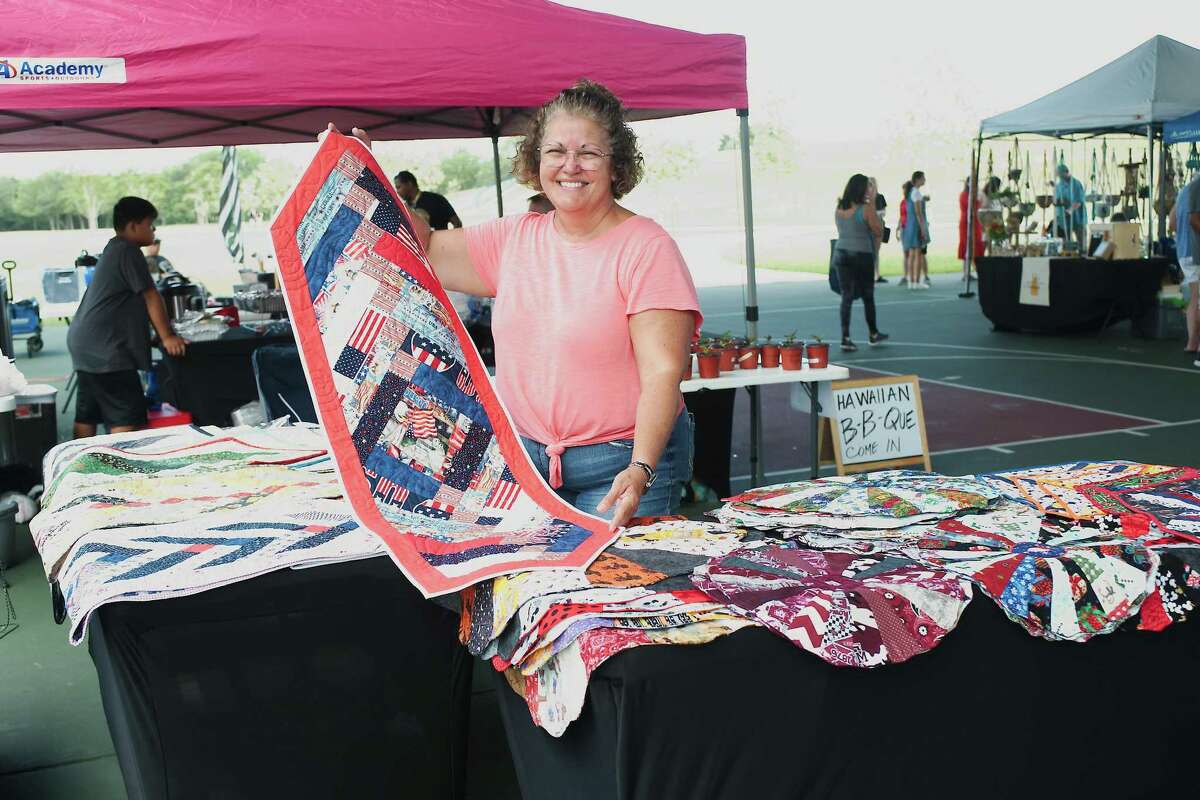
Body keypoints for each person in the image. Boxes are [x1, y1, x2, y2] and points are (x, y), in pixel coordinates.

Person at [330, 80, 699, 529]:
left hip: (622, 463)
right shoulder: (515, 238)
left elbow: (664, 371)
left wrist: (641, 467)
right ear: (536, 159)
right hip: (525, 462)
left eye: (589, 153)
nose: (571, 165)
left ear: (616, 164)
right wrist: (364, 172)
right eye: (555, 151)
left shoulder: (646, 247)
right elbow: (418, 245)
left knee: (610, 591)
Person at [67, 196, 187, 438]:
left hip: (85, 345)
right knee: (126, 417)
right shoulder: (128, 251)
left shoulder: (114, 248)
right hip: (107, 351)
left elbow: (122, 304)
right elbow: (151, 296)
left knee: (87, 413)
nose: (153, 230)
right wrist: (167, 336)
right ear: (133, 226)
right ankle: (120, 471)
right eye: (150, 224)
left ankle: (78, 467)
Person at [833, 174, 889, 352]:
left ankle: (845, 337)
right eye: (867, 187)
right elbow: (878, 229)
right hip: (861, 254)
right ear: (862, 189)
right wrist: (872, 202)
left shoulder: (840, 208)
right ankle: (873, 333)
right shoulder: (865, 209)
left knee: (846, 297)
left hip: (841, 253)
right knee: (868, 295)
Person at [1168, 171, 1200, 362]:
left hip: (1183, 251)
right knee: (1197, 300)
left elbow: (1172, 223)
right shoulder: (1197, 190)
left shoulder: (1182, 193)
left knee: (1194, 299)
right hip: (1195, 251)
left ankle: (1191, 343)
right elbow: (1193, 220)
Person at [392, 171, 462, 230]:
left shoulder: (436, 199)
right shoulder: (405, 208)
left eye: (398, 187)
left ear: (409, 184)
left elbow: (457, 223)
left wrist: (449, 241)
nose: (397, 191)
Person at [902, 171, 931, 288]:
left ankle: (911, 281)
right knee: (918, 254)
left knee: (912, 254)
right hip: (916, 225)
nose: (924, 180)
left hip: (910, 225)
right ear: (918, 179)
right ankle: (917, 281)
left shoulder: (911, 193)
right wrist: (923, 229)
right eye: (923, 178)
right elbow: (919, 213)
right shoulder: (916, 193)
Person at [1054, 163, 1087, 252]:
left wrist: (1069, 211)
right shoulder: (1059, 185)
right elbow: (1057, 200)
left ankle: (1082, 252)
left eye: (1061, 175)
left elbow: (1079, 201)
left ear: (1067, 172)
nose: (1060, 178)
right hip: (1064, 219)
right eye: (1059, 176)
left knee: (1081, 240)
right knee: (1066, 242)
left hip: (1077, 217)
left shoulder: (1076, 184)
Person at [958, 175, 985, 280]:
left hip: (975, 222)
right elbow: (969, 207)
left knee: (977, 245)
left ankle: (971, 271)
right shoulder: (964, 195)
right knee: (967, 247)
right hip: (966, 223)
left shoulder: (974, 194)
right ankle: (966, 272)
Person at [870, 177, 888, 283]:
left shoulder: (880, 197)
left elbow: (883, 212)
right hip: (869, 227)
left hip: (879, 226)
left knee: (876, 252)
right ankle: (871, 274)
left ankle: (876, 274)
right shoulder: (866, 198)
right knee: (870, 252)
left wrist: (875, 214)